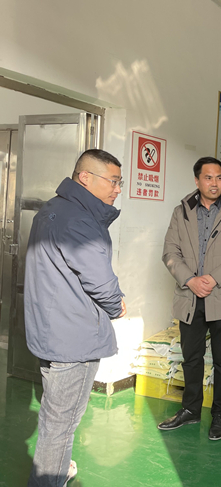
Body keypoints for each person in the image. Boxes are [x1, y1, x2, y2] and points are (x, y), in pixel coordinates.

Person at [25, 149, 127, 486]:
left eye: (120, 182)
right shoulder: (80, 221)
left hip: (50, 331)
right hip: (74, 338)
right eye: (113, 181)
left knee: (54, 418)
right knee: (61, 424)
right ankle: (49, 479)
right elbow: (99, 281)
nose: (117, 189)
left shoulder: (51, 210)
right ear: (85, 177)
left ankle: (54, 469)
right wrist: (117, 305)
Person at [159, 156, 221, 440]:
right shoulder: (182, 212)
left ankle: (220, 415)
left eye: (219, 178)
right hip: (190, 297)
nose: (214, 183)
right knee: (191, 358)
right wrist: (190, 280)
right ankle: (190, 410)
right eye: (208, 177)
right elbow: (170, 252)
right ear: (197, 180)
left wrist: (212, 278)